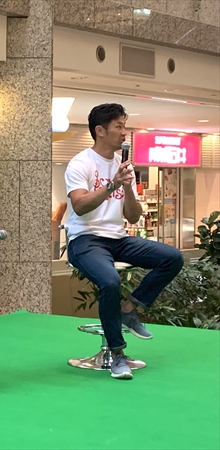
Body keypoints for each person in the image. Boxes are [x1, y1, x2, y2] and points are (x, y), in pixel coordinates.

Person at [64, 103, 184, 380]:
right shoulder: (81, 163)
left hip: (118, 239)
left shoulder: (122, 165)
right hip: (85, 239)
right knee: (109, 282)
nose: (124, 133)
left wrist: (127, 187)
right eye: (118, 127)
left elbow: (133, 216)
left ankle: (129, 309)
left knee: (172, 258)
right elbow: (80, 206)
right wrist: (112, 185)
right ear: (100, 131)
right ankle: (118, 354)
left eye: (124, 126)